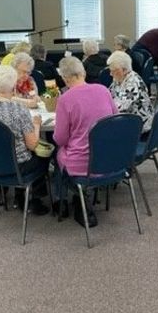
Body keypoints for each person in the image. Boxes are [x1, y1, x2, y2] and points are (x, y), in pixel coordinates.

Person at [0, 66, 49, 216]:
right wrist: (36, 125)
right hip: (18, 167)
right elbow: (32, 144)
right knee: (45, 155)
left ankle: (18, 196)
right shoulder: (19, 110)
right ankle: (32, 200)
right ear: (14, 86)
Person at [53, 56, 117, 226]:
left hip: (81, 165)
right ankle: (79, 196)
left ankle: (64, 200)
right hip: (109, 160)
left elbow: (60, 139)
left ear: (65, 78)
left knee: (55, 154)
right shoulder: (104, 90)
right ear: (83, 72)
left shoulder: (65, 99)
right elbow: (115, 120)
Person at [107, 51, 154, 136]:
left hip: (140, 127)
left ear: (124, 70)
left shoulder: (133, 83)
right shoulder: (119, 78)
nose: (110, 74)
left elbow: (120, 108)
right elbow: (108, 95)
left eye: (113, 71)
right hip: (127, 120)